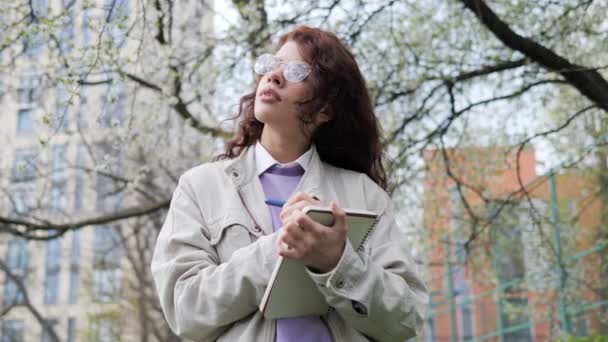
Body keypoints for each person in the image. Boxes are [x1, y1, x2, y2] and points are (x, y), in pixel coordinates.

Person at [151, 25, 427, 342]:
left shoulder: (364, 194)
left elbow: (405, 320)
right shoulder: (201, 186)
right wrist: (274, 251)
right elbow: (184, 309)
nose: (274, 76)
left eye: (296, 71)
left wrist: (337, 262)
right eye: (270, 64)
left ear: (324, 110)